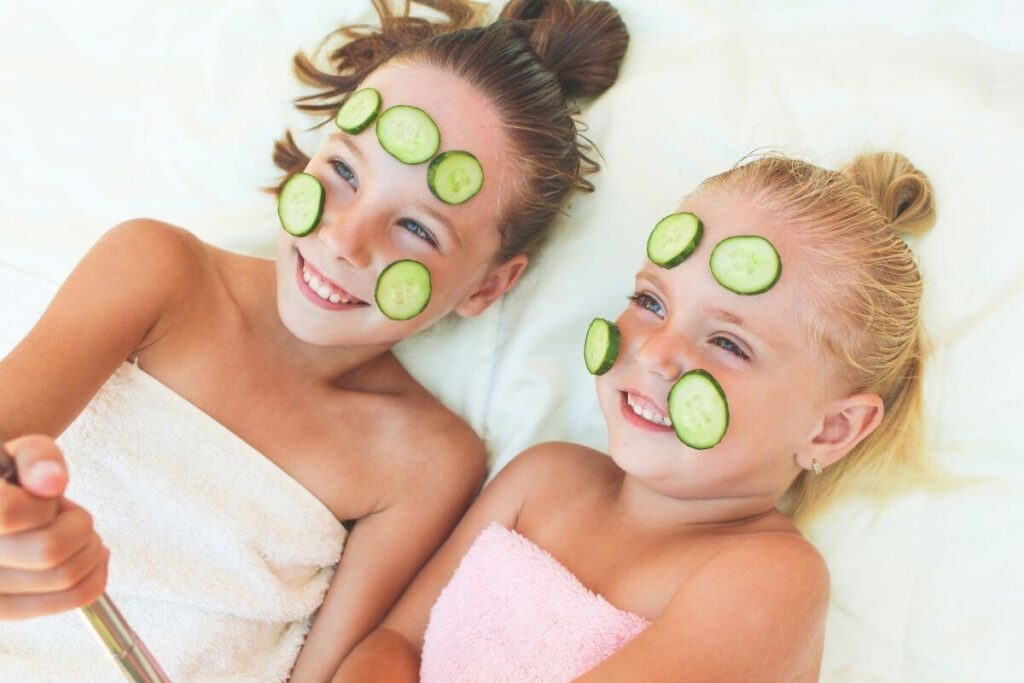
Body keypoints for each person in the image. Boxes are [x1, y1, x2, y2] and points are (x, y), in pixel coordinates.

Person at [0, 1, 629, 680]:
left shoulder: (425, 462)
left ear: (487, 287)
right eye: (345, 173)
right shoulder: (157, 271)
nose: (344, 239)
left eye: (417, 228)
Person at [336, 151, 939, 682]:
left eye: (728, 343)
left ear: (831, 431)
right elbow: (393, 645)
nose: (653, 352)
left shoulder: (770, 579)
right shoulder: (541, 478)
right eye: (651, 301)